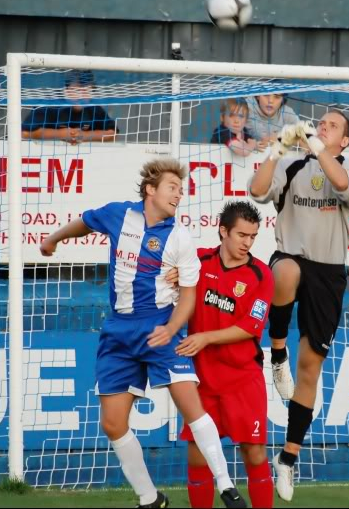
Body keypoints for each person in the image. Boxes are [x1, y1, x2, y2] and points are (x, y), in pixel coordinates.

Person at [40, 159, 246, 509]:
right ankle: (150, 499)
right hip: (119, 331)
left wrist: (170, 327)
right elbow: (85, 223)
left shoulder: (180, 236)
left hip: (160, 326)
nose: (179, 195)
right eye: (172, 188)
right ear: (151, 189)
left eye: (182, 191)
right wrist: (53, 239)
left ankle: (226, 485)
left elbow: (190, 296)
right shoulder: (119, 215)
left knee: (190, 407)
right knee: (112, 422)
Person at [247, 111, 349, 502]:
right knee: (286, 272)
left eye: (332, 126)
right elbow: (256, 190)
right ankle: (276, 351)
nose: (323, 126)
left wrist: (315, 144)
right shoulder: (292, 162)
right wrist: (277, 149)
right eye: (321, 122)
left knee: (311, 369)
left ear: (344, 141)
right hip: (290, 257)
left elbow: (343, 184)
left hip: (329, 273)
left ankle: (288, 458)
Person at [174, 201, 274, 508]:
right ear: (223, 231)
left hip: (243, 378)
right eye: (242, 234)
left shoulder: (262, 275)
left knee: (253, 451)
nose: (247, 242)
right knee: (197, 452)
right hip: (202, 379)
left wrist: (204, 338)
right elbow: (171, 278)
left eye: (253, 236)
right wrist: (170, 276)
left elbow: (249, 327)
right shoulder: (198, 261)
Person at [22, 69, 117, 144]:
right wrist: (61, 134)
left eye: (87, 91)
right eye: (77, 90)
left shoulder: (94, 109)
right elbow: (24, 133)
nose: (81, 96)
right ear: (66, 90)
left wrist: (84, 136)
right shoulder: (49, 105)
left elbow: (113, 133)